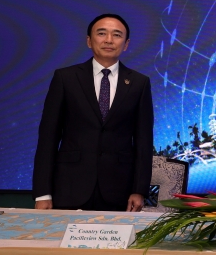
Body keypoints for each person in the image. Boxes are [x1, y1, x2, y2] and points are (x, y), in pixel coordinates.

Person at [33, 14, 153, 211]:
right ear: (89, 40)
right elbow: (48, 138)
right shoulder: (66, 78)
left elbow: (143, 141)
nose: (108, 40)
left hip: (119, 191)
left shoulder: (139, 83)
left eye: (116, 35)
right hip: (69, 188)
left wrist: (139, 190)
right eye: (101, 33)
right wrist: (43, 193)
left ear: (126, 44)